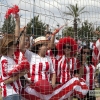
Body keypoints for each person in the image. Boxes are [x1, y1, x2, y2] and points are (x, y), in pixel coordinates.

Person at [0, 14, 30, 100]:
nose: (16, 46)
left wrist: (18, 21)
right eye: (14, 45)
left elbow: (16, 38)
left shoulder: (13, 58)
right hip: (10, 94)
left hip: (17, 92)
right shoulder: (4, 60)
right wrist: (21, 73)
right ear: (9, 46)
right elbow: (6, 80)